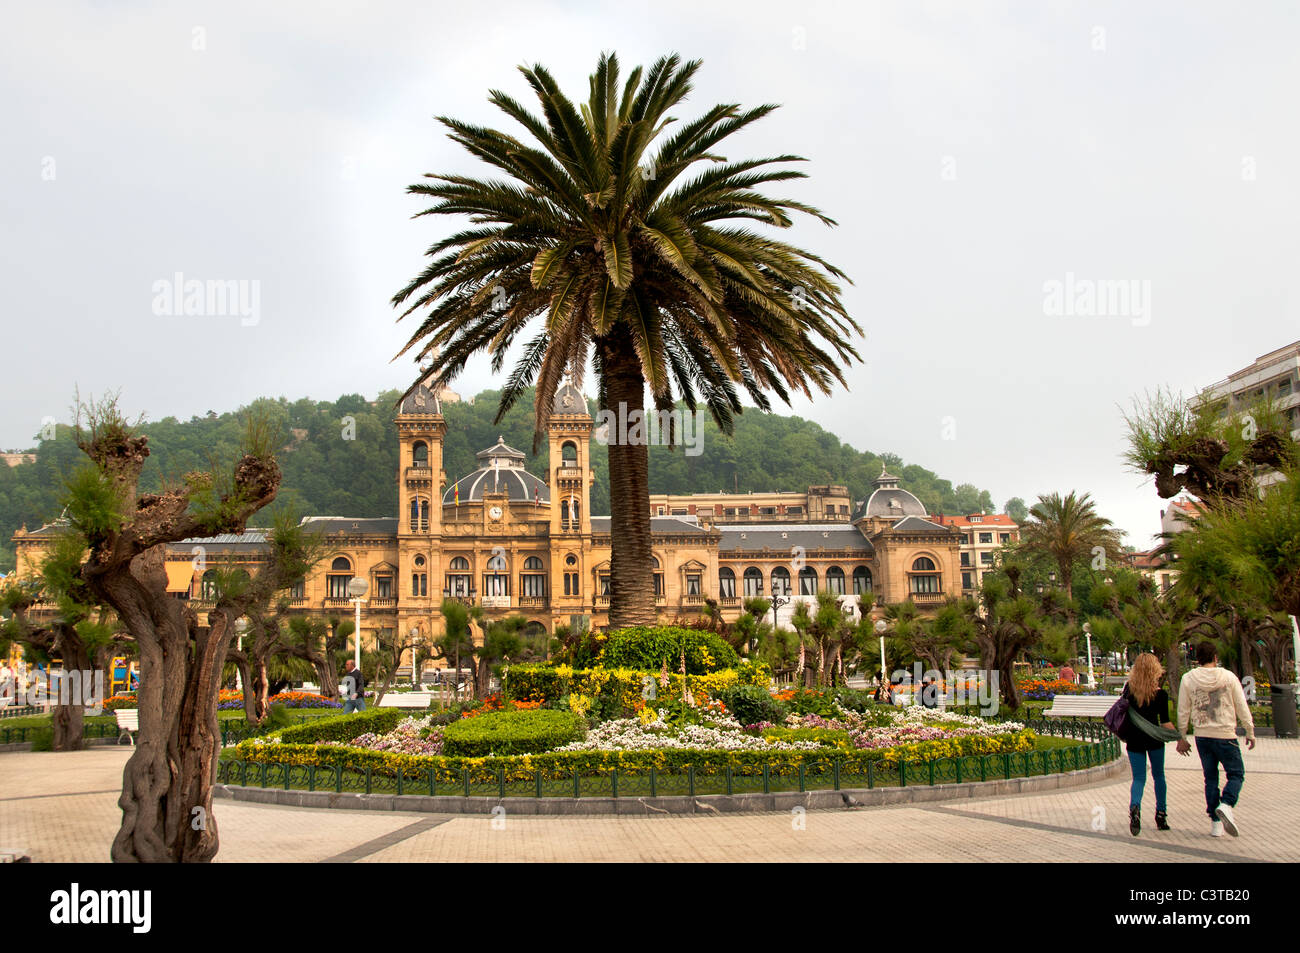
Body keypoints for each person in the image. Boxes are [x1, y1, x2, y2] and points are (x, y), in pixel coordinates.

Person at [1176, 641, 1255, 838]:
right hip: (1225, 734)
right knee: (1236, 774)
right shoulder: (1228, 677)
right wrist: (1249, 730)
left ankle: (1215, 822)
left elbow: (1183, 709)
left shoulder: (1188, 678)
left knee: (1210, 778)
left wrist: (1182, 736)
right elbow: (1240, 705)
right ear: (1216, 657)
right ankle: (1226, 804)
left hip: (1202, 735)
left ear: (1197, 658)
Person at [1122, 653, 1177, 836]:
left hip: (1134, 739)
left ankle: (1135, 807)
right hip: (1154, 740)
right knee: (1159, 776)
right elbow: (1165, 722)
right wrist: (1180, 737)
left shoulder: (1129, 690)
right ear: (1155, 670)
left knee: (1138, 778)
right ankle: (1161, 815)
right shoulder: (1160, 695)